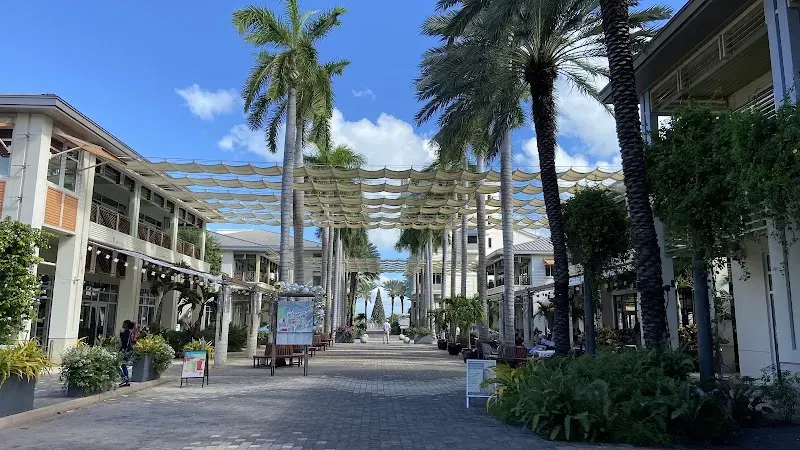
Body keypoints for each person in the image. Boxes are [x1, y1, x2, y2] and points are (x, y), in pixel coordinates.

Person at [119, 320, 133, 387]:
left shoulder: (127, 332)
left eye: (123, 323)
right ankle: (126, 380)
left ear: (126, 325)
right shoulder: (128, 332)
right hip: (126, 351)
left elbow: (124, 342)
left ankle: (124, 378)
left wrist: (121, 335)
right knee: (123, 365)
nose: (122, 324)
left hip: (125, 351)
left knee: (118, 364)